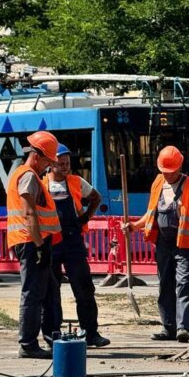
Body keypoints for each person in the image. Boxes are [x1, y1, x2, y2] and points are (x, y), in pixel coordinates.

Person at [123, 146, 189, 343]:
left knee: (184, 284)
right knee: (165, 285)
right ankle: (168, 327)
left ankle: (182, 327)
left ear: (179, 168)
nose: (168, 175)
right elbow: (151, 212)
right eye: (164, 172)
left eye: (171, 172)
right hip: (162, 243)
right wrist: (135, 225)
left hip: (185, 244)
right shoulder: (158, 183)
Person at [41, 143, 110, 348]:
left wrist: (86, 218)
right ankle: (52, 335)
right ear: (50, 164)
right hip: (51, 242)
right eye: (61, 163)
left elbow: (96, 198)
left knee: (84, 288)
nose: (65, 167)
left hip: (73, 242)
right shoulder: (41, 184)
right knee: (51, 291)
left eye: (67, 163)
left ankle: (90, 333)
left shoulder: (76, 182)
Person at [6, 131, 62, 359]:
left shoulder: (30, 175)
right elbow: (29, 213)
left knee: (50, 291)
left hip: (36, 242)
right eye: (49, 160)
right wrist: (40, 246)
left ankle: (52, 339)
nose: (50, 166)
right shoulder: (28, 176)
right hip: (31, 242)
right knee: (33, 294)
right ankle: (28, 345)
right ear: (37, 156)